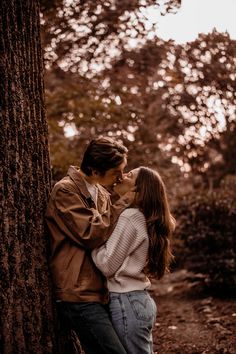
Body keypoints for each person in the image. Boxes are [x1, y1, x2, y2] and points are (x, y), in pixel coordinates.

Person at [46, 137, 135, 354]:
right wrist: (124, 202)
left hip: (101, 291)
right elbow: (91, 233)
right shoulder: (65, 191)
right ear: (95, 171)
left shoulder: (102, 193)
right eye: (116, 172)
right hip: (79, 293)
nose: (121, 178)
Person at [92, 166, 175, 354]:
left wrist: (91, 241)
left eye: (129, 175)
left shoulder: (131, 217)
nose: (122, 176)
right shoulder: (142, 217)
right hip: (137, 301)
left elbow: (106, 265)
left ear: (138, 189)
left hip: (127, 302)